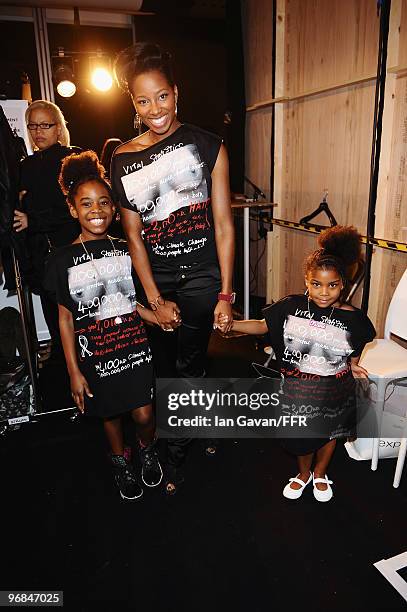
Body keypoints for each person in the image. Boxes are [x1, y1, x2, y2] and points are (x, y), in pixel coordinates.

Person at [111, 43, 235, 494]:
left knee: (192, 364)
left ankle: (177, 452)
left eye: (161, 96)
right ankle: (189, 429)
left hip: (202, 274)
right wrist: (155, 300)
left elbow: (223, 225)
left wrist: (225, 294)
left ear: (175, 92)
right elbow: (133, 236)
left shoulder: (208, 144)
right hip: (157, 279)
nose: (155, 109)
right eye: (143, 101)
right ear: (133, 104)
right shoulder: (122, 158)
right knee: (163, 369)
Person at [219, 226, 376, 502]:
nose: (324, 292)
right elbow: (261, 325)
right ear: (307, 280)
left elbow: (357, 343)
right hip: (298, 389)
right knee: (300, 434)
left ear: (343, 284)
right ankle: (303, 474)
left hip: (333, 389)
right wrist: (233, 324)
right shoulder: (290, 306)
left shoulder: (354, 318)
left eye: (332, 285)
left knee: (329, 432)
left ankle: (320, 472)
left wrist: (352, 363)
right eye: (317, 284)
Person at [45, 150, 163, 501]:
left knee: (143, 414)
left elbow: (129, 302)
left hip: (133, 345)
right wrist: (73, 372)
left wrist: (156, 316)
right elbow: (65, 318)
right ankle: (120, 461)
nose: (95, 210)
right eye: (86, 204)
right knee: (109, 414)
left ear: (114, 209)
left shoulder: (127, 248)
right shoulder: (59, 259)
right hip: (95, 352)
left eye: (103, 203)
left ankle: (147, 448)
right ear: (73, 209)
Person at [14, 100, 81, 357]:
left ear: (58, 127)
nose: (38, 131)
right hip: (41, 259)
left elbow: (77, 209)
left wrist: (34, 220)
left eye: (45, 125)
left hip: (72, 252)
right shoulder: (24, 167)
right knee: (55, 323)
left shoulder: (73, 158)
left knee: (83, 322)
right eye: (32, 126)